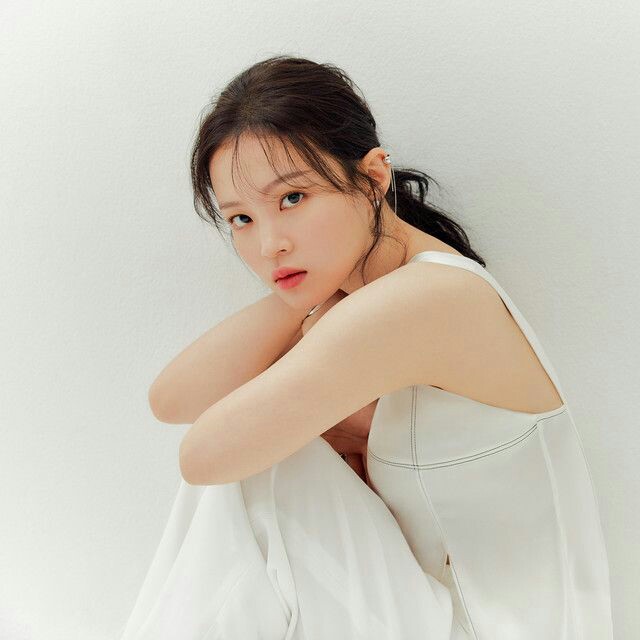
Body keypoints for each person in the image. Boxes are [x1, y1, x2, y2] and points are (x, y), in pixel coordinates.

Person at [118, 55, 613, 639]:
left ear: (374, 177)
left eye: (293, 198)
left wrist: (316, 302)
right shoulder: (388, 293)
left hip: (497, 628)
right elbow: (172, 400)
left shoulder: (426, 298)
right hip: (446, 612)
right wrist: (308, 291)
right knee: (264, 448)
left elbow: (204, 456)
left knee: (263, 463)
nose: (269, 244)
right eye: (242, 219)